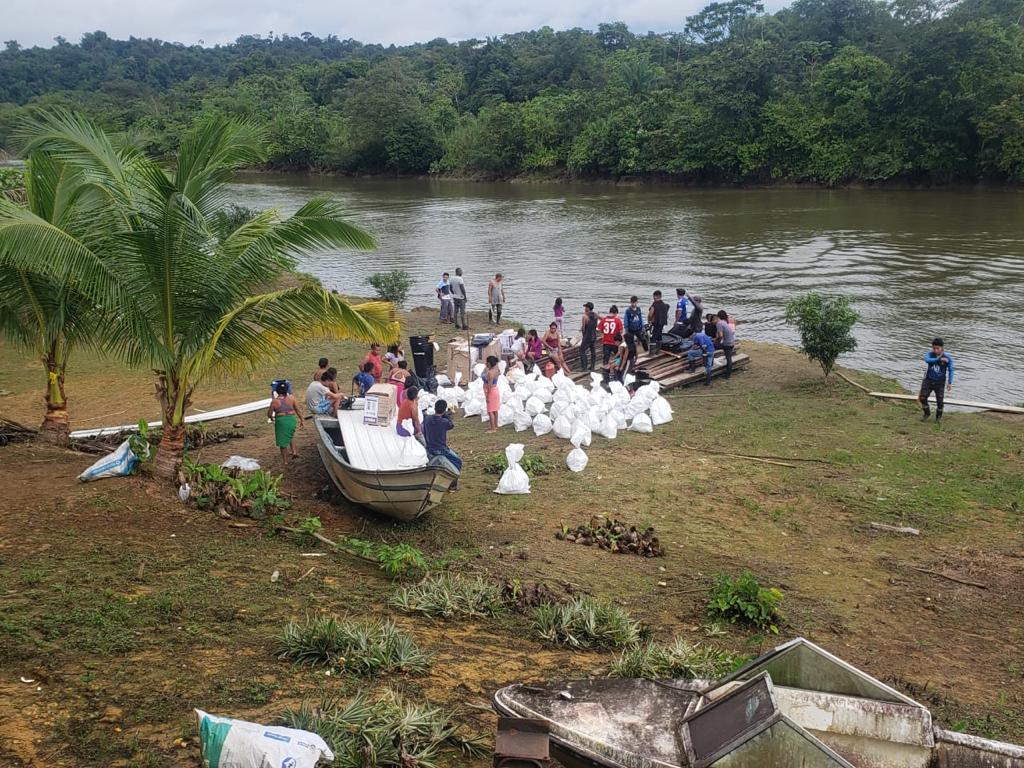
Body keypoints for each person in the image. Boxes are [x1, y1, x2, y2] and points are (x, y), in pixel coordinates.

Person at [424, 399, 462, 488]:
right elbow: (451, 425)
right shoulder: (444, 422)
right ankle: (453, 485)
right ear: (444, 410)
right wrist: (446, 415)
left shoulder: (427, 419)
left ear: (434, 408)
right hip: (441, 449)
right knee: (457, 462)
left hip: (429, 448)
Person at [268, 381, 303, 468]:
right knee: (290, 435)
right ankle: (294, 452)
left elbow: (269, 413)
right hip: (291, 420)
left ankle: (285, 461)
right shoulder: (292, 398)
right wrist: (302, 420)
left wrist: (272, 418)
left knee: (282, 442)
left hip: (281, 421)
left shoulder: (274, 401)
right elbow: (298, 410)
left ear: (277, 391)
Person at [919, 337, 955, 422]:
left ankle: (938, 418)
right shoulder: (930, 354)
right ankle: (927, 413)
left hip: (940, 382)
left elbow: (951, 370)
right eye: (934, 348)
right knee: (922, 398)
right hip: (928, 380)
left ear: (942, 348)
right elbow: (926, 360)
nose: (935, 350)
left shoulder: (948, 357)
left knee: (940, 401)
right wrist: (938, 359)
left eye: (937, 348)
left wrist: (950, 383)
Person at [624, 295, 647, 365]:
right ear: (630, 302)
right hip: (631, 328)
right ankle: (632, 355)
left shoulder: (638, 309)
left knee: (643, 339)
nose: (634, 304)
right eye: (632, 303)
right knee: (631, 342)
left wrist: (642, 326)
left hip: (638, 328)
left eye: (635, 303)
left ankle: (647, 350)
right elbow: (626, 320)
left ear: (637, 302)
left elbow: (640, 317)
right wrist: (626, 328)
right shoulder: (628, 311)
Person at [715, 309, 736, 378]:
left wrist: (717, 342)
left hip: (727, 344)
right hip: (732, 342)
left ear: (718, 316)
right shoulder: (725, 322)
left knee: (712, 346)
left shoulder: (719, 323)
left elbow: (720, 335)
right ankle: (728, 373)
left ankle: (727, 375)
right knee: (729, 358)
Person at [483, 355, 501, 433]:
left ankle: (493, 428)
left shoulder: (490, 373)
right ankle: (495, 425)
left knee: (490, 411)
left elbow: (489, 385)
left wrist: (487, 395)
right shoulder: (496, 370)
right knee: (495, 410)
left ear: (489, 363)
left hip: (491, 391)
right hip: (495, 389)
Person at [580, 302, 598, 371]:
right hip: (594, 336)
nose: (585, 309)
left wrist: (583, 336)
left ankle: (584, 368)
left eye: (585, 307)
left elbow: (583, 328)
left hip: (587, 336)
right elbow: (603, 318)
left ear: (588, 308)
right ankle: (592, 367)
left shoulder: (585, 316)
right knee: (593, 351)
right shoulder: (596, 315)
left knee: (582, 351)